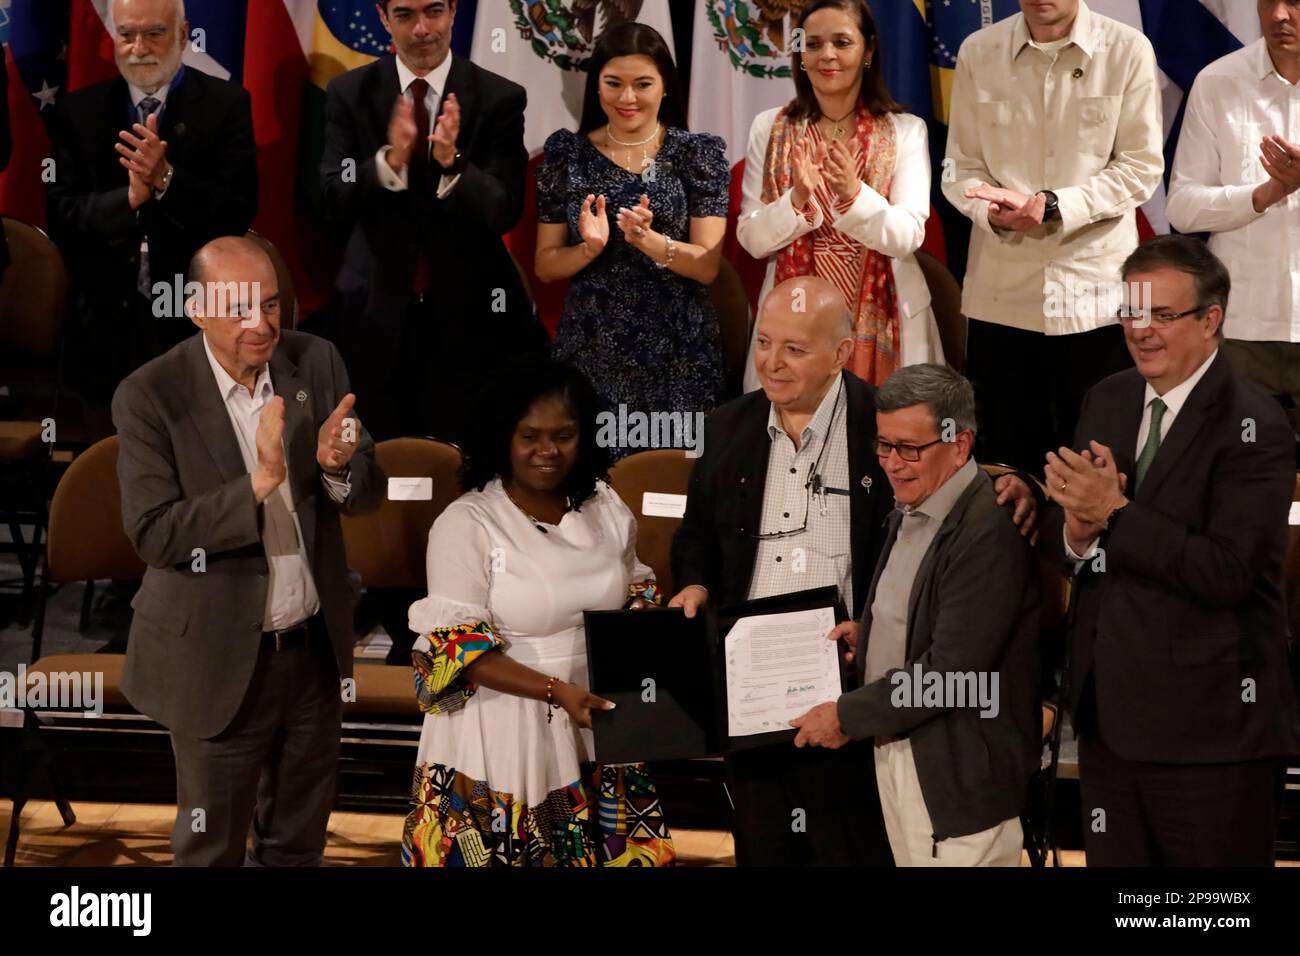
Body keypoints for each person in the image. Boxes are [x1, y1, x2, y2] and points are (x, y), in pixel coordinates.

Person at [670, 275, 1040, 866]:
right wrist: (692, 582)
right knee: (766, 849)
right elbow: (695, 537)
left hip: (857, 685)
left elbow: (954, 475)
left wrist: (1023, 485)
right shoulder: (725, 427)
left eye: (794, 348)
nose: (772, 362)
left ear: (842, 353)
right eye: (764, 342)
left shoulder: (884, 422)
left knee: (853, 848)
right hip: (751, 683)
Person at [112, 236, 385, 865]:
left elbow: (366, 493)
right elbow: (155, 532)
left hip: (313, 655)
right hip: (215, 660)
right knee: (211, 852)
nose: (260, 325)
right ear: (196, 308)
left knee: (296, 845)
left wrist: (340, 468)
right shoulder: (150, 394)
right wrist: (259, 484)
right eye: (239, 309)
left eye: (270, 305)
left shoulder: (316, 362)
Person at [1040, 235, 1299, 866]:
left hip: (1211, 733)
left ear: (1211, 320)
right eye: (1131, 311)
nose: (1141, 330)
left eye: (1163, 314)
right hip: (1108, 721)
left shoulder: (1256, 424)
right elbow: (1074, 532)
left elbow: (1230, 573)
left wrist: (1115, 513)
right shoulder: (1108, 397)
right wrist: (1074, 530)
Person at [401, 359, 673, 867]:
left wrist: (654, 621)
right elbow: (459, 652)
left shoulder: (605, 506)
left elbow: (637, 586)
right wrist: (555, 692)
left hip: (595, 715)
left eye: (564, 435)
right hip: (502, 724)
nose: (547, 451)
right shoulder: (467, 524)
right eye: (529, 435)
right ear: (501, 437)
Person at [791, 364, 1040, 867]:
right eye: (884, 445)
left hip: (958, 769)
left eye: (909, 448)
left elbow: (951, 674)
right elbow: (932, 616)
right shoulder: (916, 503)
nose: (892, 463)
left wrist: (846, 715)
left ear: (960, 444)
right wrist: (877, 634)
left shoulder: (987, 530)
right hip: (903, 747)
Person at [941, 0, 1163, 471]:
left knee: (1099, 468)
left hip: (1095, 303)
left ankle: (1093, 551)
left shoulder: (1127, 49)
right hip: (1001, 300)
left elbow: (1141, 168)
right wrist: (990, 210)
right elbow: (960, 167)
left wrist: (1055, 205)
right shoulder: (979, 51)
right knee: (1004, 470)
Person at [320, 0, 545, 447]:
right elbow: (332, 197)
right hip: (374, 315)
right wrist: (388, 161)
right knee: (383, 460)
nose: (422, 29)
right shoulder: (350, 93)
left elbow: (505, 209)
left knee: (469, 460)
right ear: (383, 18)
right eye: (405, 15)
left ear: (453, 11)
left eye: (434, 12)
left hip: (472, 319)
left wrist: (453, 163)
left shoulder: (500, 96)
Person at [48, 0, 258, 436]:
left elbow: (237, 212)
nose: (139, 47)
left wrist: (167, 182)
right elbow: (62, 218)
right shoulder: (78, 112)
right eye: (127, 35)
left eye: (154, 33)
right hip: (104, 333)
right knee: (105, 478)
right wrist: (128, 198)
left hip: (192, 323)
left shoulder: (227, 105)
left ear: (183, 36)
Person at [535, 22, 729, 451]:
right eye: (613, 84)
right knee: (591, 484)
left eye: (642, 84)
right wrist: (589, 249)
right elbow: (546, 265)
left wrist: (651, 242)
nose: (627, 98)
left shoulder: (695, 154)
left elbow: (707, 266)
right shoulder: (567, 156)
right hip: (592, 346)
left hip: (678, 349)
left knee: (669, 488)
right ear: (596, 87)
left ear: (664, 88)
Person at [737, 0, 941, 392]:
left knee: (882, 440)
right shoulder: (771, 126)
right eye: (813, 44)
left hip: (886, 310)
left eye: (841, 42)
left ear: (867, 51)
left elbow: (907, 237)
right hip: (793, 314)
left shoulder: (905, 130)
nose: (826, 55)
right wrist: (795, 201)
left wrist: (854, 195)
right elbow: (752, 239)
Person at [1166, 0, 1300, 455]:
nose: (1280, 15)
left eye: (1296, 2)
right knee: (1246, 483)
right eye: (1269, 1)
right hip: (1244, 335)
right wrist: (1262, 195)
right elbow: (1182, 208)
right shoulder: (1219, 81)